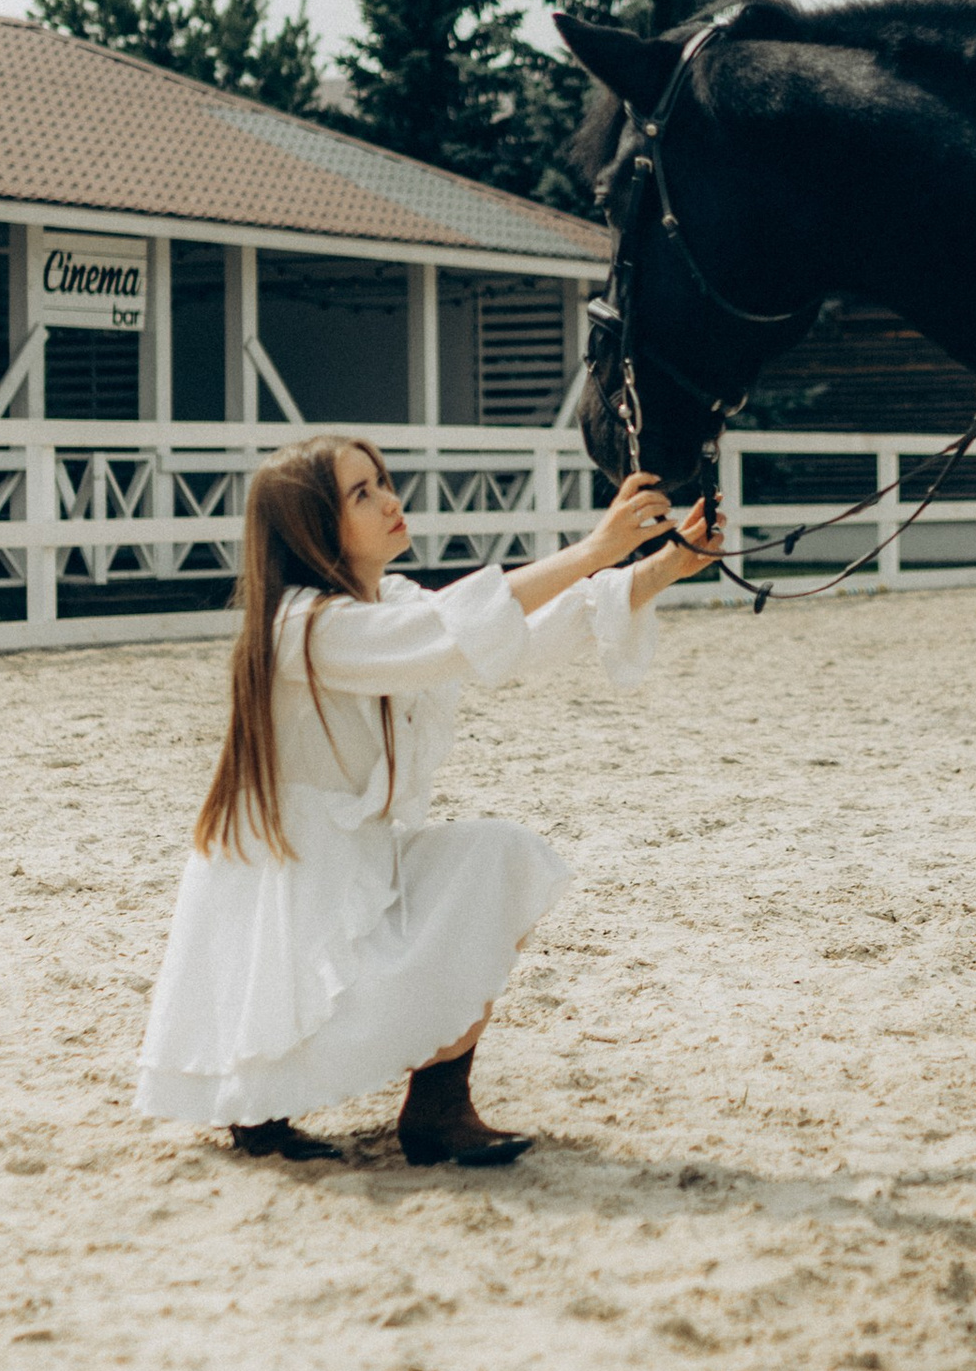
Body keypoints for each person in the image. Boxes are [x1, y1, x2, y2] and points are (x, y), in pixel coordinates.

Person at [135, 436, 718, 1167]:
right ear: (313, 526)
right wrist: (593, 549)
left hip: (361, 863)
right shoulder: (300, 626)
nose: (388, 500)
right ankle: (262, 1112)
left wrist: (667, 564)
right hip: (298, 884)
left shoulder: (389, 601)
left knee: (497, 858)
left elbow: (517, 637)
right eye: (361, 493)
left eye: (382, 481)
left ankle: (438, 1110)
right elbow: (441, 633)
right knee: (283, 1035)